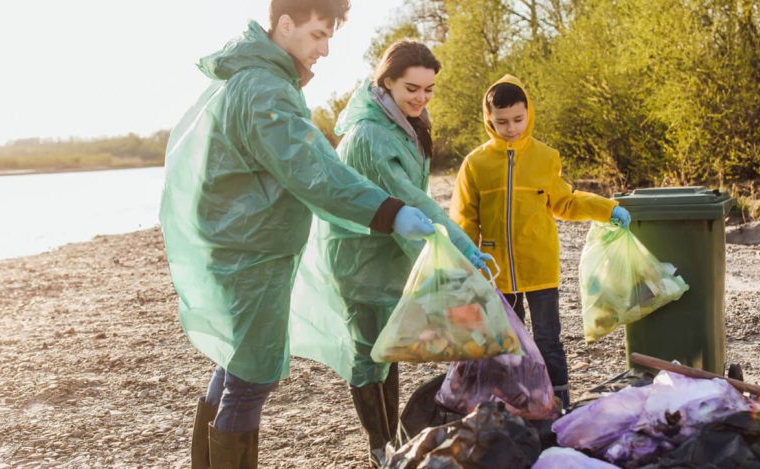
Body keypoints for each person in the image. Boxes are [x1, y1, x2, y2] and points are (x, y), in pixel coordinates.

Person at [159, 1, 437, 467]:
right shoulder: (264, 89)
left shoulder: (254, 79)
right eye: (317, 35)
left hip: (244, 247)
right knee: (251, 378)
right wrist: (390, 212)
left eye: (330, 37)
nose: (325, 49)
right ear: (285, 24)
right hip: (252, 255)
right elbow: (314, 171)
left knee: (233, 363)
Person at [288, 40, 491, 467]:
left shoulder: (403, 121)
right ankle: (379, 445)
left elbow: (413, 201)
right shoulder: (371, 135)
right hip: (359, 256)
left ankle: (391, 440)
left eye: (428, 89)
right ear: (387, 82)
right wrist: (462, 248)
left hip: (389, 251)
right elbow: (412, 199)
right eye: (411, 88)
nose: (421, 97)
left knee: (388, 348)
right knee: (369, 353)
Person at [450, 75, 631, 408]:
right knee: (506, 344)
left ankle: (558, 403)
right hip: (496, 272)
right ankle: (516, 406)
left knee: (548, 340)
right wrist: (465, 258)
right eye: (502, 121)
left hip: (541, 269)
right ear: (488, 118)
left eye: (518, 119)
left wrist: (607, 209)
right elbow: (465, 218)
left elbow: (566, 201)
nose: (512, 127)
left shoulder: (545, 157)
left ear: (528, 113)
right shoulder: (475, 164)